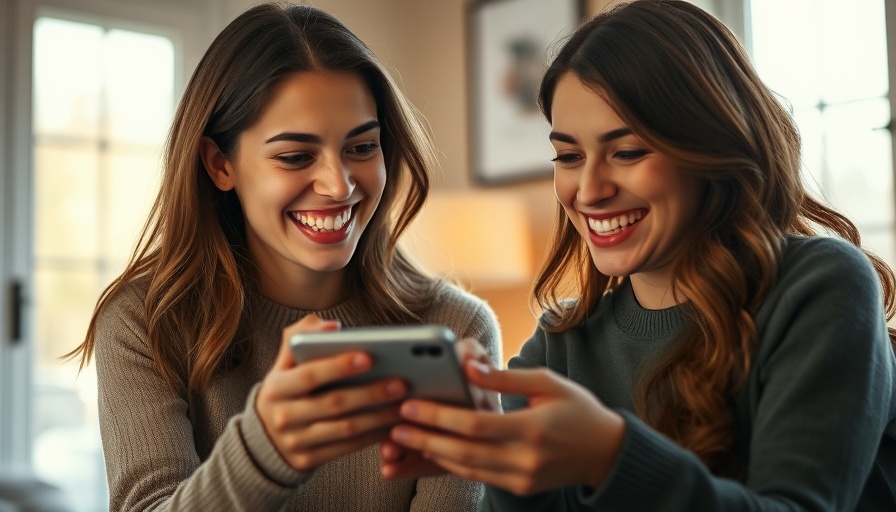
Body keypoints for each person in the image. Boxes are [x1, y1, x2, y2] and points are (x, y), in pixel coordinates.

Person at [379, 1, 896, 510]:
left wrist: (608, 456)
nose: (589, 189)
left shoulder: (820, 287)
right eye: (568, 157)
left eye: (627, 152)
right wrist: (507, 472)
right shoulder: (559, 347)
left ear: (713, 147)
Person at [66, 3, 501, 511]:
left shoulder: (455, 329)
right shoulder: (147, 321)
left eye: (362, 147)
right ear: (219, 164)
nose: (339, 185)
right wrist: (265, 451)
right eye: (295, 156)